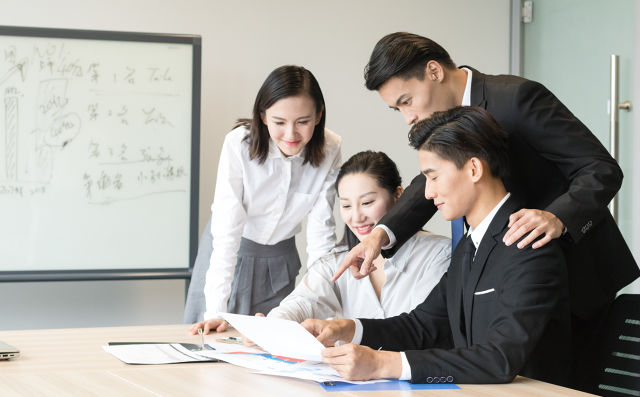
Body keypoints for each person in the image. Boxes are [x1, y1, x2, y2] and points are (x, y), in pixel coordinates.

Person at [332, 32, 639, 390]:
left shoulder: (517, 100)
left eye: (406, 101)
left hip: (569, 271)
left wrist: (556, 217)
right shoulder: (466, 239)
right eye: (396, 109)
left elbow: (601, 168)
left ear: (434, 71)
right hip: (499, 252)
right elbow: (428, 182)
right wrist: (380, 235)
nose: (407, 117)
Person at [304, 106, 572, 386]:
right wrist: (347, 329)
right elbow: (422, 325)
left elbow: (499, 360)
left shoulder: (529, 245)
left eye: (433, 177)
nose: (429, 193)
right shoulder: (471, 246)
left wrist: (383, 363)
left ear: (473, 168)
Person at [186, 65, 342, 334]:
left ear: (318, 116)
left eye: (302, 122)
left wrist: (325, 309)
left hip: (279, 261)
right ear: (263, 116)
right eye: (279, 122)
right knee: (212, 339)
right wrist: (215, 311)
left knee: (271, 345)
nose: (291, 134)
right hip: (227, 254)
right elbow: (226, 232)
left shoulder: (330, 148)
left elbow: (321, 237)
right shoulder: (238, 145)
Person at [267, 151, 450, 322]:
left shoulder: (438, 254)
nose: (356, 217)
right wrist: (271, 324)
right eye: (346, 206)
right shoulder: (334, 263)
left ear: (398, 195)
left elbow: (421, 330)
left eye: (367, 202)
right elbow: (301, 303)